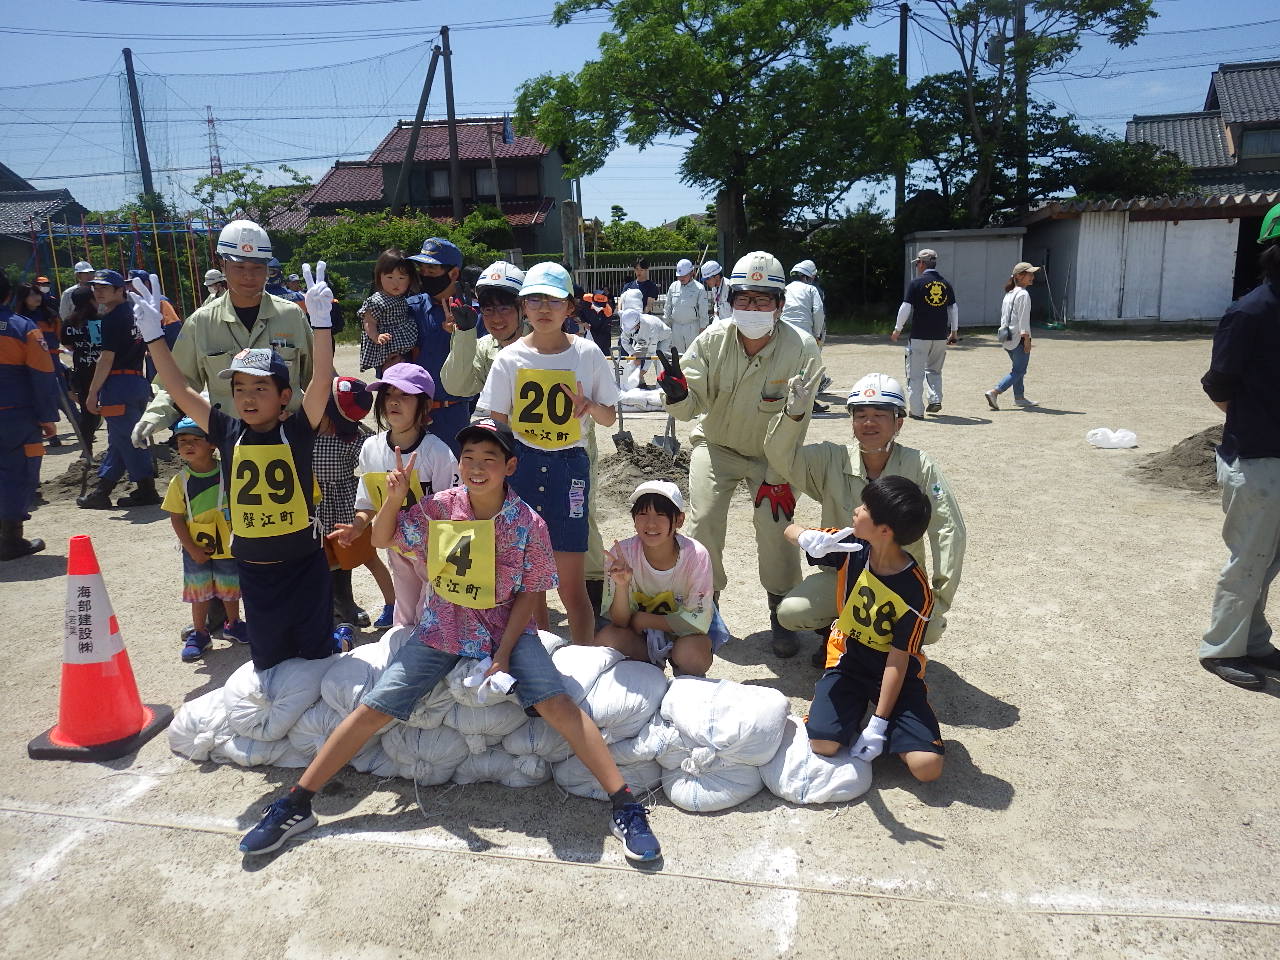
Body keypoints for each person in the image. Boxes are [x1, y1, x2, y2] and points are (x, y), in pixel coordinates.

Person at [238, 418, 662, 862]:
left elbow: (530, 592)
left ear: (510, 466)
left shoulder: (528, 523)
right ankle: (296, 801)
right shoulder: (440, 507)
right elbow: (384, 537)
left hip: (505, 630)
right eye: (469, 458)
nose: (477, 467)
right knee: (373, 709)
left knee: (558, 706)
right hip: (442, 627)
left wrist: (503, 653)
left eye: (489, 459)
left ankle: (625, 806)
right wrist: (395, 499)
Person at [132, 263, 338, 673]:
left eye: (260, 388)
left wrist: (321, 326)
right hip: (253, 567)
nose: (246, 397)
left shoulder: (298, 428)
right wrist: (155, 337)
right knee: (269, 658)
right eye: (238, 388)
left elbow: (319, 384)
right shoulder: (225, 430)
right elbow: (178, 388)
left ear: (284, 396)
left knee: (316, 654)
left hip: (302, 561)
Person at [655, 250, 821, 657]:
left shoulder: (802, 348)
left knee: (776, 525)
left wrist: (781, 474)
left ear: (780, 305)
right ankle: (705, 606)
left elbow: (798, 421)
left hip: (772, 454)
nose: (752, 308)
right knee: (704, 520)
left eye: (763, 300)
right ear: (731, 302)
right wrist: (677, 393)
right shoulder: (712, 339)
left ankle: (780, 609)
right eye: (744, 299)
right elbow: (692, 401)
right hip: (717, 446)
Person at [444, 262, 610, 617]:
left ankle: (593, 620)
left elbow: (608, 414)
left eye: (553, 300)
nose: (544, 309)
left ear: (569, 306)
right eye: (487, 308)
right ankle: (537, 639)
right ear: (526, 307)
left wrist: (590, 406)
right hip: (521, 458)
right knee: (527, 568)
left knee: (575, 551)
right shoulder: (501, 354)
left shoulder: (584, 352)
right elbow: (480, 403)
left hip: (571, 456)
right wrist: (462, 335)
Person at [765, 372, 965, 664]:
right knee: (791, 612)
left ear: (899, 422)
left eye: (879, 414)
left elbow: (948, 529)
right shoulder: (830, 459)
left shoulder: (919, 466)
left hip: (900, 581)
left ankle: (889, 649)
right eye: (860, 415)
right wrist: (793, 413)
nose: (868, 422)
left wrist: (940, 596)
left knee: (930, 626)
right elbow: (779, 456)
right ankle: (837, 638)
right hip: (842, 576)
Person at [787, 476, 944, 782]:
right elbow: (789, 529)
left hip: (893, 670)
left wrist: (879, 723)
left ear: (884, 530)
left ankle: (889, 722)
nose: (856, 511)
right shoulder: (850, 544)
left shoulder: (916, 590)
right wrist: (805, 538)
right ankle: (846, 711)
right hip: (849, 660)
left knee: (927, 768)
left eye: (864, 507)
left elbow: (899, 660)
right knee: (822, 742)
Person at [132, 220, 314, 449]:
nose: (249, 276)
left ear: (268, 268)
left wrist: (338, 410)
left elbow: (315, 377)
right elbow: (179, 382)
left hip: (290, 439)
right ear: (223, 265)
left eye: (257, 267)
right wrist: (154, 417)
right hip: (231, 441)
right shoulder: (202, 322)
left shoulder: (292, 316)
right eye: (240, 267)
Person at [1197, 203, 1280, 690]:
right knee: (1248, 558)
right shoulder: (1250, 313)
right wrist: (1255, 420)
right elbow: (1219, 384)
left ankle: (1254, 640)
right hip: (1256, 457)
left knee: (1268, 562)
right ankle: (1222, 649)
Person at [337, 363, 458, 628]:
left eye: (404, 395)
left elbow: (453, 513)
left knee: (432, 618)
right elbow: (369, 502)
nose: (394, 401)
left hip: (433, 555)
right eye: (388, 394)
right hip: (397, 550)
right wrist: (358, 526)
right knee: (404, 618)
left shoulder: (438, 453)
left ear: (424, 406)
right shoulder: (371, 448)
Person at [586, 480, 727, 677]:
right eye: (643, 514)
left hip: (686, 636)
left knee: (691, 655)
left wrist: (644, 619)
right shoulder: (621, 555)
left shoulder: (696, 555)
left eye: (660, 515)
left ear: (679, 520)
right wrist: (621, 585)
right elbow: (619, 621)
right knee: (607, 640)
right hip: (639, 637)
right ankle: (649, 675)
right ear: (634, 519)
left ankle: (684, 679)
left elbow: (697, 622)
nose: (651, 524)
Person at [161, 417, 247, 662]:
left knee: (230, 586)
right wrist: (192, 548)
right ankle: (199, 632)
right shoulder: (180, 481)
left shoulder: (227, 471)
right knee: (200, 591)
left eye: (195, 440)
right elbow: (176, 517)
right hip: (196, 548)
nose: (187, 445)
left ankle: (234, 624)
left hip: (228, 545)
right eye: (182, 441)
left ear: (212, 444)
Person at [76, 270, 159, 509]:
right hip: (135, 382)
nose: (97, 291)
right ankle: (102, 490)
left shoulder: (112, 319)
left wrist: (92, 393)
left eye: (104, 287)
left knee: (129, 439)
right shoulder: (134, 314)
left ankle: (146, 489)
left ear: (119, 290)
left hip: (118, 384)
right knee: (120, 440)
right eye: (95, 287)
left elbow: (106, 358)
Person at [0, 272, 58, 561]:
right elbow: (43, 373)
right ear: (9, 295)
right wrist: (48, 416)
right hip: (15, 415)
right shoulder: (22, 328)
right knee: (17, 473)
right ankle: (10, 540)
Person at [405, 237, 474, 455]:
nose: (424, 275)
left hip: (455, 414)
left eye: (431, 270)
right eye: (422, 269)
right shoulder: (409, 309)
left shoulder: (471, 316)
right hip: (412, 413)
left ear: (453, 274)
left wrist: (459, 333)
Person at [892, 248, 958, 420]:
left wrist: (898, 328)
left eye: (917, 263)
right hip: (940, 335)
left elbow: (906, 307)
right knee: (935, 370)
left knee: (915, 374)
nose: (916, 266)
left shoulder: (916, 283)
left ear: (921, 263)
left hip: (919, 335)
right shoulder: (946, 284)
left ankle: (917, 410)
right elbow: (953, 308)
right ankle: (935, 398)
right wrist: (954, 331)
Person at [14, 281, 64, 446]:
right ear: (23, 298)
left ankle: (83, 430)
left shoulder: (50, 315)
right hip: (32, 365)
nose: (37, 297)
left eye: (38, 293)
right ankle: (52, 436)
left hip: (52, 360)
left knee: (64, 395)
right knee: (39, 398)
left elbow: (58, 335)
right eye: (32, 294)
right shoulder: (20, 319)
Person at [984, 262, 1039, 411]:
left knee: (1017, 368)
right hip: (1019, 338)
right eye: (1030, 274)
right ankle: (995, 392)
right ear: (1019, 276)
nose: (1033, 277)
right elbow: (1023, 320)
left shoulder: (1009, 293)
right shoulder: (1023, 294)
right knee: (1019, 371)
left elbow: (1004, 317)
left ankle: (1019, 397)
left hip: (1006, 336)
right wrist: (1026, 339)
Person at [358, 249, 419, 375]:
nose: (395, 283)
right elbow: (369, 322)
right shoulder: (376, 300)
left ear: (409, 280)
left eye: (401, 278)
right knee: (391, 379)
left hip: (403, 346)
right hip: (386, 347)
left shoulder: (401, 298)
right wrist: (376, 336)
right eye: (390, 277)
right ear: (379, 276)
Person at [780, 260, 828, 413]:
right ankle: (809, 403)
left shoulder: (784, 289)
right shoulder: (811, 290)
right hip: (805, 335)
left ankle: (783, 401)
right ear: (809, 277)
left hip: (784, 334)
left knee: (787, 368)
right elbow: (819, 312)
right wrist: (817, 333)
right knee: (807, 369)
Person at [60, 286, 102, 450]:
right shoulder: (98, 319)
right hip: (102, 372)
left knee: (86, 412)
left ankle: (87, 448)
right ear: (91, 300)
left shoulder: (69, 322)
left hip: (82, 372)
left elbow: (67, 345)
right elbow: (100, 344)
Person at [618, 296, 671, 390]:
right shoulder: (628, 323)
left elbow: (651, 353)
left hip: (662, 338)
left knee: (658, 360)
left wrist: (644, 370)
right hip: (643, 340)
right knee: (634, 360)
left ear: (638, 324)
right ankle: (638, 384)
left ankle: (661, 387)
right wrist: (633, 353)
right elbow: (624, 341)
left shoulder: (650, 326)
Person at [664, 258, 706, 353]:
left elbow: (703, 310)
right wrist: (666, 324)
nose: (681, 278)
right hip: (676, 327)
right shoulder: (673, 286)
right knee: (678, 355)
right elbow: (668, 306)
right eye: (679, 276)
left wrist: (703, 327)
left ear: (691, 273)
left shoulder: (699, 288)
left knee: (693, 354)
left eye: (684, 275)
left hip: (693, 327)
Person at [578, 289, 613, 355]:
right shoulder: (585, 300)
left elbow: (606, 327)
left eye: (601, 305)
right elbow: (580, 312)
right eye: (597, 304)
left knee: (604, 352)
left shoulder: (608, 311)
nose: (598, 307)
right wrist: (584, 322)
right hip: (589, 328)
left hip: (603, 331)